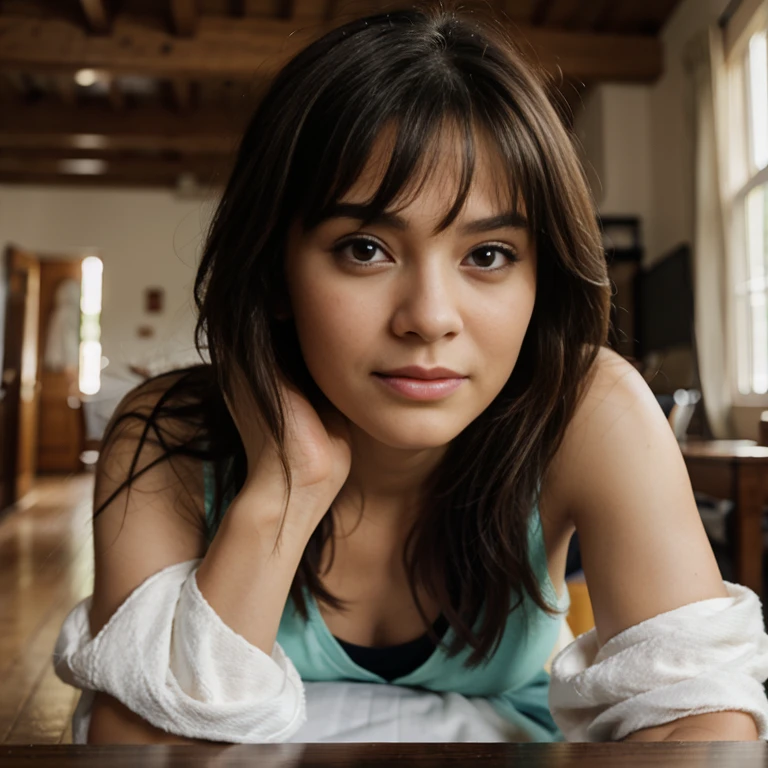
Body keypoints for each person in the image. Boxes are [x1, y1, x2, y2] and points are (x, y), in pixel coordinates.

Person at [53, 2, 768, 745]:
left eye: (487, 255)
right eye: (365, 248)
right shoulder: (165, 437)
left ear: (539, 280)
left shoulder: (589, 409)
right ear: (272, 272)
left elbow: (704, 725)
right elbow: (136, 748)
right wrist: (284, 490)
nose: (429, 317)